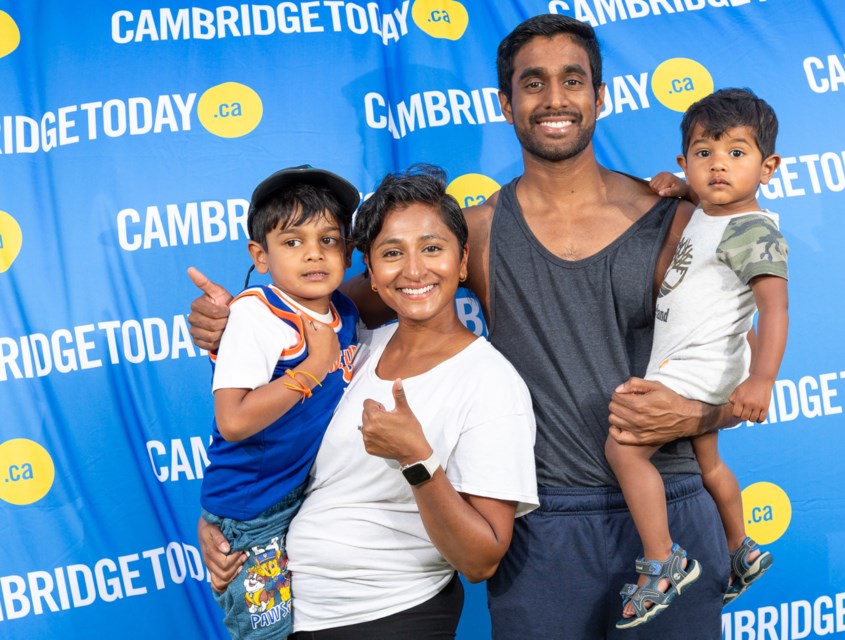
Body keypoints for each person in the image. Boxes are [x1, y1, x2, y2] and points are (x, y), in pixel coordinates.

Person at [189, 14, 737, 640]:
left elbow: (737, 366)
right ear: (506, 102)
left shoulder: (671, 218)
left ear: (600, 96)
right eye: (533, 83)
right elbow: (321, 304)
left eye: (572, 80)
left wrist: (696, 418)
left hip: (666, 515)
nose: (554, 99)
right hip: (544, 528)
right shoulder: (471, 231)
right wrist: (233, 320)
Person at [194, 166, 539, 639]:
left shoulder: (490, 383)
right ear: (371, 274)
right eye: (393, 253)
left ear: (462, 264)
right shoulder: (353, 346)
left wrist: (416, 460)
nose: (414, 270)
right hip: (300, 610)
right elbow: (278, 444)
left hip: (388, 616)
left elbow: (481, 559)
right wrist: (229, 521)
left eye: (432, 248)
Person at [605, 88, 788, 628]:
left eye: (737, 153)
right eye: (704, 154)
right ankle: (741, 549)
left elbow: (774, 311)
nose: (719, 166)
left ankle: (663, 561)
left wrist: (762, 380)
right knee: (709, 463)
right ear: (686, 161)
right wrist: (678, 187)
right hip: (703, 364)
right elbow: (703, 201)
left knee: (624, 451)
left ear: (768, 166)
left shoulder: (753, 229)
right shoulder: (711, 211)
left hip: (698, 369)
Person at [196, 165, 361, 640]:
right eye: (292, 242)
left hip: (301, 497)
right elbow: (232, 421)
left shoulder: (342, 309)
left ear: (348, 252)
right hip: (253, 510)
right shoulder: (256, 315)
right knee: (269, 635)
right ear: (260, 255)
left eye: (328, 240)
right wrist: (313, 367)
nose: (313, 253)